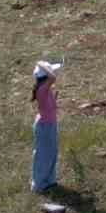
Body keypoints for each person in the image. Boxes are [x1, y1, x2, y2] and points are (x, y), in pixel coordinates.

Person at [30, 59, 61, 192]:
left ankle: (49, 180)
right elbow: (53, 77)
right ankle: (38, 184)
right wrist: (41, 63)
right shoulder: (42, 89)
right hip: (45, 126)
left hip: (50, 125)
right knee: (43, 154)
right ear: (45, 77)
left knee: (51, 153)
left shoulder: (44, 89)